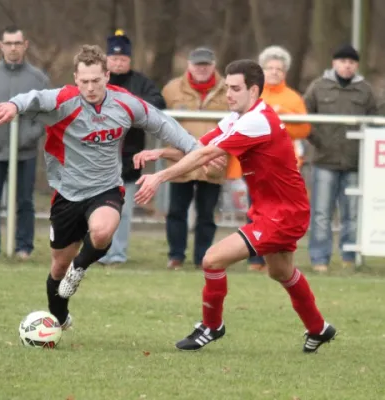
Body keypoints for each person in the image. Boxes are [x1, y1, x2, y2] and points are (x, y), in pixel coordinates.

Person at [133, 59, 336, 353]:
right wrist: (160, 152)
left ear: (253, 90)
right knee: (281, 273)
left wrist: (159, 176)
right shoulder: (239, 117)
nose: (228, 94)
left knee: (212, 260)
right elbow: (199, 145)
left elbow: (205, 155)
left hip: (283, 215)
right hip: (274, 210)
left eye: (235, 88)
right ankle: (319, 328)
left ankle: (211, 326)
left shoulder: (257, 121)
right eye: (227, 87)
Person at [0, 44, 199, 330]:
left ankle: (80, 268)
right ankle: (60, 316)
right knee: (57, 266)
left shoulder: (125, 103)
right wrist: (14, 105)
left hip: (106, 188)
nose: (90, 87)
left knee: (101, 232)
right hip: (67, 192)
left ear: (107, 76)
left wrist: (196, 148)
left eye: (96, 81)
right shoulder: (64, 101)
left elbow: (163, 124)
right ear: (76, 79)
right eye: (84, 81)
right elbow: (35, 97)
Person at [0, 26, 50, 260]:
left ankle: (24, 247)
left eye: (17, 43)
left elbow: (47, 115)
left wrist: (29, 137)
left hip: (24, 153)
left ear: (25, 45)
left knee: (25, 202)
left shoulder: (38, 79)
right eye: (8, 43)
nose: (13, 47)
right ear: (1, 45)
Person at [160, 47, 241, 269]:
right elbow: (159, 119)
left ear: (214, 65)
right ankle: (176, 255)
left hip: (214, 161)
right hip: (181, 160)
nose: (202, 69)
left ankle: (203, 257)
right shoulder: (172, 89)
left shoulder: (228, 89)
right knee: (177, 210)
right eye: (198, 65)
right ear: (189, 65)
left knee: (207, 213)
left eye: (206, 65)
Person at [304, 44, 377, 273]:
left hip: (355, 163)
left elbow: (375, 122)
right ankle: (319, 260)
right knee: (321, 214)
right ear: (334, 63)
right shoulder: (317, 87)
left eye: (352, 62)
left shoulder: (365, 90)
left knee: (352, 214)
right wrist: (317, 140)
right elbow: (304, 117)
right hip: (324, 161)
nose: (347, 65)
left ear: (356, 65)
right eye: (343, 61)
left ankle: (349, 257)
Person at [98, 30, 166, 266]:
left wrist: (132, 107)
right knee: (97, 208)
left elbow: (158, 102)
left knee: (123, 209)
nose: (118, 63)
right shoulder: (97, 79)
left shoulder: (141, 82)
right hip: (98, 155)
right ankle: (98, 251)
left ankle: (117, 253)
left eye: (123, 59)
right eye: (114, 59)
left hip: (129, 155)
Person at [246, 45, 311, 272]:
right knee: (255, 210)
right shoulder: (253, 94)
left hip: (285, 167)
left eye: (279, 69)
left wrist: (282, 119)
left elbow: (303, 129)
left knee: (282, 215)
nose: (274, 72)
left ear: (285, 72)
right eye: (270, 68)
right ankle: (254, 258)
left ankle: (279, 260)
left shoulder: (293, 98)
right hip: (256, 165)